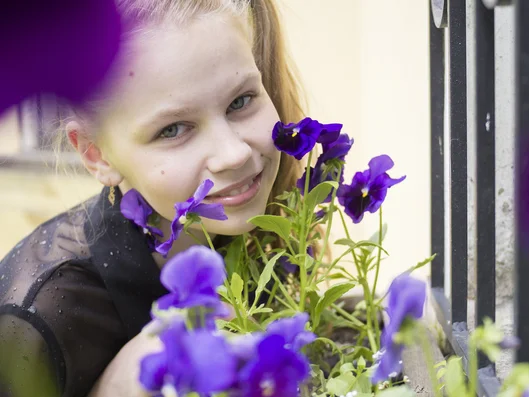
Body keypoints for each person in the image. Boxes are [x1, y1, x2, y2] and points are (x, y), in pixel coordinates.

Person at [0, 0, 308, 395]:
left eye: (241, 101)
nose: (235, 153)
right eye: (174, 129)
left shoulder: (263, 227)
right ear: (96, 154)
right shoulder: (36, 321)